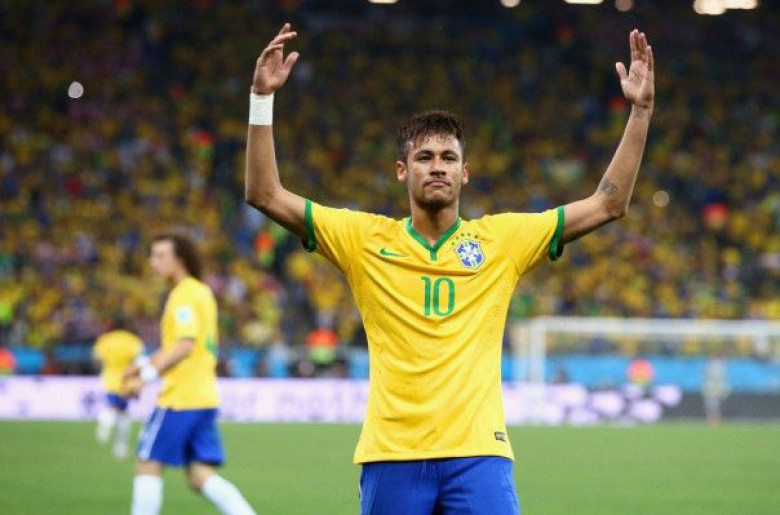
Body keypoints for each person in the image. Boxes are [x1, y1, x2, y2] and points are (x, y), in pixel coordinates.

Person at [245, 23, 654, 515]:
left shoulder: (502, 240)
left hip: (479, 454)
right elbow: (264, 194)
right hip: (392, 454)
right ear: (403, 171)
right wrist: (261, 100)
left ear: (465, 172)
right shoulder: (363, 239)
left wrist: (640, 112)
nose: (437, 166)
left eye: (448, 157)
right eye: (424, 157)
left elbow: (608, 204)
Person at [122, 233, 255, 515]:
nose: (153, 262)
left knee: (147, 463)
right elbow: (183, 345)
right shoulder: (201, 292)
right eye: (152, 255)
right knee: (198, 475)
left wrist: (145, 376)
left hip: (180, 399)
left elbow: (185, 345)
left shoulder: (183, 295)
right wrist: (143, 362)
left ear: (180, 260)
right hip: (204, 397)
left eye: (160, 256)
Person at [92, 315, 144, 459]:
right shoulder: (133, 340)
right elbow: (139, 361)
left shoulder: (105, 340)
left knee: (116, 408)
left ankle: (106, 424)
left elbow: (96, 359)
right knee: (122, 412)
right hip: (127, 380)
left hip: (109, 379)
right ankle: (120, 446)